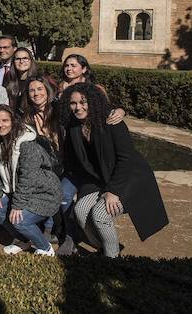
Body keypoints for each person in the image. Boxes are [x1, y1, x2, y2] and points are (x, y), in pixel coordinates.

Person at [61, 83, 168, 257]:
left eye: (83, 102)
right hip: (102, 179)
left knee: (100, 215)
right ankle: (104, 248)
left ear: (93, 102)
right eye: (73, 103)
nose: (78, 107)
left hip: (128, 179)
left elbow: (125, 159)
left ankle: (112, 260)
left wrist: (113, 191)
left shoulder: (111, 121)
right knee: (80, 211)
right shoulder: (74, 126)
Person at [0, 105, 62, 256]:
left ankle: (45, 248)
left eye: (5, 120)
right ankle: (24, 240)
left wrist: (18, 206)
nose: (1, 125)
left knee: (19, 220)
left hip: (43, 193)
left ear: (13, 121)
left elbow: (28, 178)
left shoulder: (27, 143)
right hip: (18, 191)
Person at [22, 76, 77, 255]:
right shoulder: (27, 117)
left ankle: (63, 233)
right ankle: (48, 228)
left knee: (63, 194)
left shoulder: (59, 111)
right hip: (43, 168)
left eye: (40, 89)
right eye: (32, 90)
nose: (36, 93)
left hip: (65, 164)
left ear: (47, 91)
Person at [58, 53, 126, 125]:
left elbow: (108, 106)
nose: (69, 69)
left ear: (84, 69)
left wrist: (121, 111)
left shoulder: (95, 89)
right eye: (66, 65)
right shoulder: (59, 87)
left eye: (73, 66)